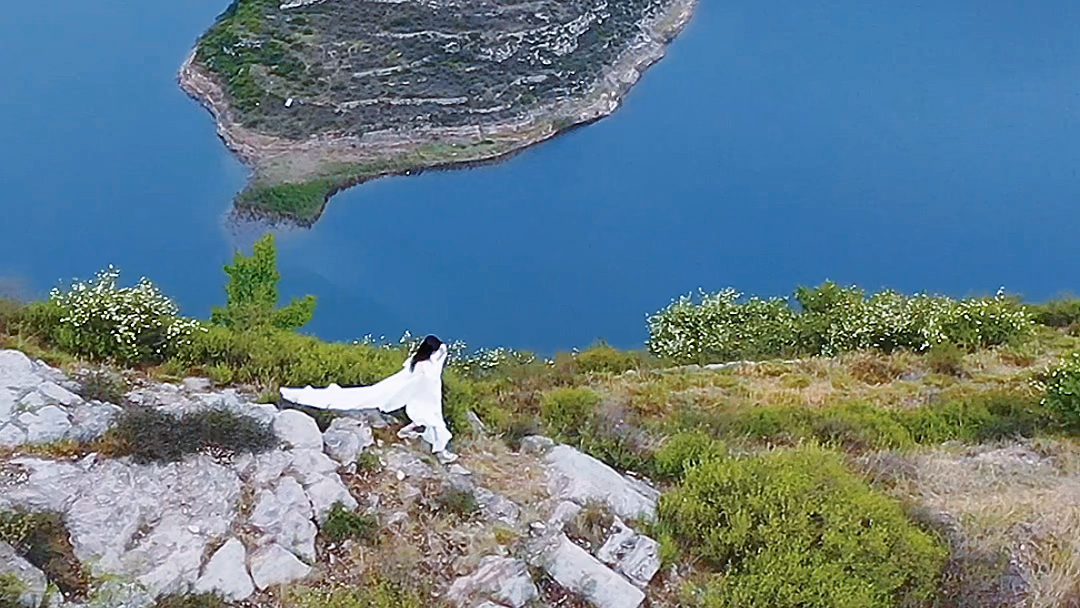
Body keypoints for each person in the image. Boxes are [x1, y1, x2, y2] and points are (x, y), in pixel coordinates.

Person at [279, 335, 458, 463]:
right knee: (433, 420)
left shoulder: (416, 360)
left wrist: (441, 353)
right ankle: (437, 450)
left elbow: (434, 364)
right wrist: (442, 355)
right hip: (421, 397)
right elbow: (431, 377)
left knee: (431, 421)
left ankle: (422, 440)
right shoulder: (424, 366)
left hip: (419, 395)